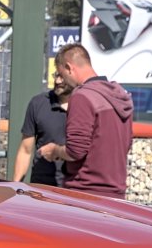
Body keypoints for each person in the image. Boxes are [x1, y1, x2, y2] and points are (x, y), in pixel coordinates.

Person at [38, 43, 134, 198]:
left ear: (69, 67)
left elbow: (76, 150)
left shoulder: (82, 96)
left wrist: (54, 150)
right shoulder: (120, 96)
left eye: (61, 73)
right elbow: (127, 143)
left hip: (85, 193)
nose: (61, 80)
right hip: (117, 192)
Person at [12, 72, 72, 185]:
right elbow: (25, 150)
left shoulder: (87, 106)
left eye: (62, 77)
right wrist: (15, 185)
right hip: (42, 187)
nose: (58, 81)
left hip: (76, 189)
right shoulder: (38, 103)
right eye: (56, 75)